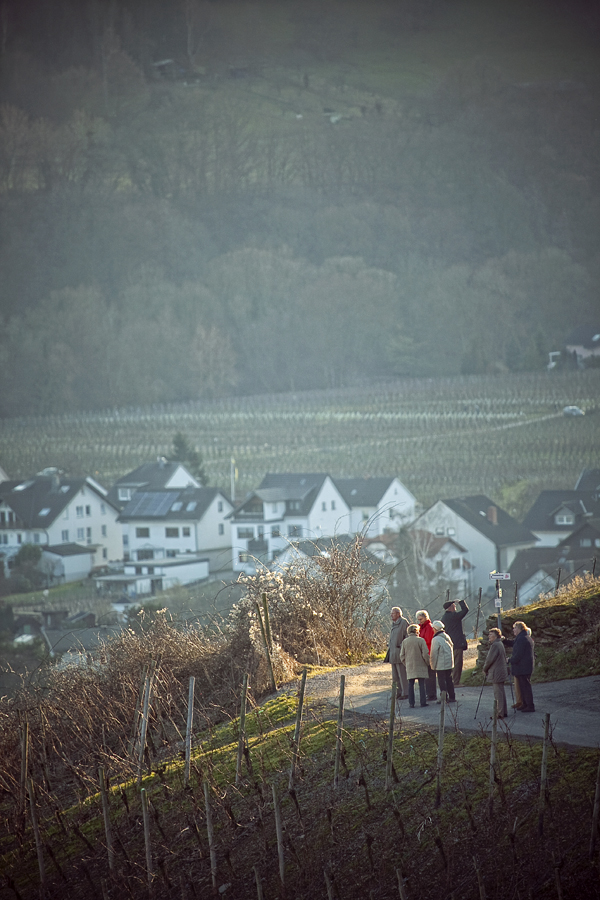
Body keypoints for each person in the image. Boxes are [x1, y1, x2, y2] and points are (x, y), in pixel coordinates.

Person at [399, 624, 430, 708]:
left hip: (410, 665)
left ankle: (411, 703)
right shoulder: (421, 640)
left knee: (410, 685)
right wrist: (427, 662)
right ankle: (423, 702)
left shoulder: (405, 642)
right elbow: (425, 654)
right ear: (417, 631)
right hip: (421, 665)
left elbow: (402, 656)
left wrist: (407, 664)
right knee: (421, 684)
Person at [441, 598, 469, 685]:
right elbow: (465, 610)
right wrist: (461, 602)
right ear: (450, 608)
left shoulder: (444, 617)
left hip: (450, 643)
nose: (455, 607)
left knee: (451, 664)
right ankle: (455, 682)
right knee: (457, 663)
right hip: (457, 643)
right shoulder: (454, 616)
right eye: (454, 605)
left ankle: (451, 681)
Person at [509, 621, 535, 712]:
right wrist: (504, 640)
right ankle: (525, 704)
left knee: (525, 687)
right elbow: (513, 644)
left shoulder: (522, 639)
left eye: (515, 628)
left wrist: (510, 660)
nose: (513, 630)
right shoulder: (523, 637)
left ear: (520, 628)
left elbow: (518, 655)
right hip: (524, 667)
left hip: (523, 667)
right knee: (523, 686)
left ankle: (530, 706)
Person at [483, 627, 508, 718]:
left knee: (498, 693)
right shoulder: (499, 643)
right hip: (501, 671)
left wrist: (485, 669)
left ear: (496, 636)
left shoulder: (495, 645)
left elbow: (489, 660)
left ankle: (499, 713)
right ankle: (503, 711)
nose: (489, 636)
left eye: (491, 634)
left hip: (496, 672)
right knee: (501, 692)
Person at [429, 621, 456, 702]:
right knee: (449, 680)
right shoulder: (447, 636)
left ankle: (444, 698)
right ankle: (452, 696)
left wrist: (432, 666)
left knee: (441, 681)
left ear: (435, 629)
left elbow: (433, 654)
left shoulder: (436, 639)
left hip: (441, 664)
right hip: (449, 663)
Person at [416, 609, 438, 701]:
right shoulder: (421, 627)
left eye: (420, 619)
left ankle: (432, 694)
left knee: (430, 675)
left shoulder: (429, 627)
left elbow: (428, 640)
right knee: (426, 676)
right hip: (423, 653)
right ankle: (428, 693)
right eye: (418, 619)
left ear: (425, 618)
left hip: (428, 653)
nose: (419, 621)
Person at [388, 606, 409, 699]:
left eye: (393, 613)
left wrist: (401, 646)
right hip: (393, 654)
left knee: (402, 675)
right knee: (395, 676)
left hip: (400, 654)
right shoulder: (394, 623)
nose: (391, 615)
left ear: (398, 614)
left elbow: (407, 637)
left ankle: (405, 693)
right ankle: (397, 693)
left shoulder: (404, 623)